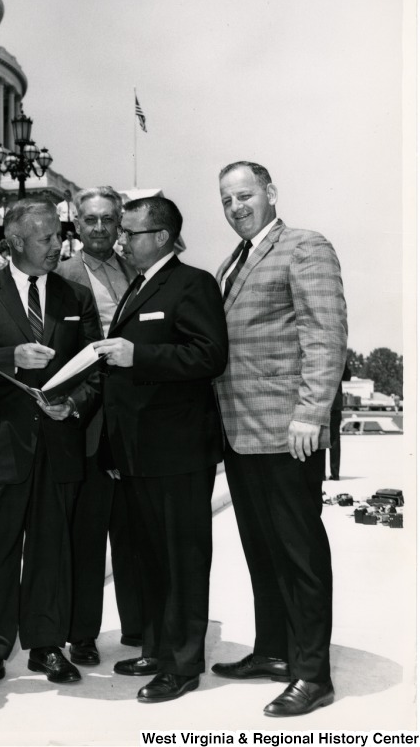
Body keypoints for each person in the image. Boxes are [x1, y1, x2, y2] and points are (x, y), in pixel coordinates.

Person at [0, 198, 102, 695]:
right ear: (14, 242)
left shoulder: (76, 297)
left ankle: (45, 645)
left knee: (51, 549)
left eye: (59, 236)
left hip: (58, 442)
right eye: (46, 238)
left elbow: (95, 368)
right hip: (2, 444)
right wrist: (9, 356)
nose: (59, 245)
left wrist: (74, 404)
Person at [212, 161, 347, 717]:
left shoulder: (304, 246)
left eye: (245, 195)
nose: (237, 207)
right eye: (226, 200)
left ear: (270, 192)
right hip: (241, 432)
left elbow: (326, 332)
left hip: (288, 431)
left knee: (299, 553)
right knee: (261, 550)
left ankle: (313, 674)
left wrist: (310, 414)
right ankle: (273, 650)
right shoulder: (232, 261)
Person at [94, 197, 228, 703]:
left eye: (131, 232)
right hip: (137, 451)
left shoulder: (192, 283)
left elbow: (210, 354)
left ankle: (183, 663)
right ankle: (157, 645)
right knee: (150, 557)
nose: (122, 241)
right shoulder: (140, 285)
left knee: (182, 559)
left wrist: (138, 355)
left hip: (177, 451)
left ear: (163, 236)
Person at [55, 186, 142, 667]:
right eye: (90, 220)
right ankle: (82, 633)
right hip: (85, 419)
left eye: (109, 219)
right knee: (85, 537)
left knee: (133, 532)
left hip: (132, 420)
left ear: (120, 222)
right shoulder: (62, 274)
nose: (100, 228)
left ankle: (137, 625)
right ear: (77, 222)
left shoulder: (138, 270)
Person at [328, 361, 352, 479]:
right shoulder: (339, 355)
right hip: (335, 403)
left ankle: (320, 474)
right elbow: (347, 376)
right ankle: (335, 473)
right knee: (335, 439)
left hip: (320, 401)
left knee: (318, 439)